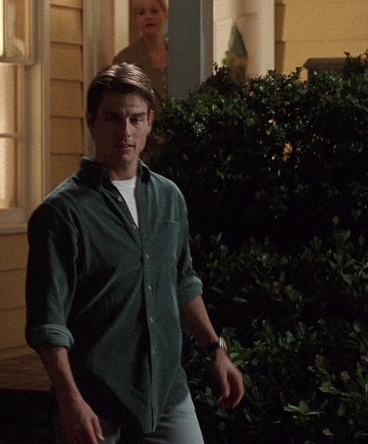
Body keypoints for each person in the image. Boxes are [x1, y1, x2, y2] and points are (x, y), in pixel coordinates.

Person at [25, 63, 245, 444]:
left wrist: (216, 350)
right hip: (95, 399)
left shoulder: (168, 198)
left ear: (149, 122)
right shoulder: (61, 213)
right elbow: (48, 320)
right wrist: (69, 398)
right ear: (91, 120)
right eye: (112, 118)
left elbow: (183, 283)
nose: (125, 131)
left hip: (165, 393)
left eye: (135, 118)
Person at [113, 0, 169, 114]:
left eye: (154, 11)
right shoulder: (125, 60)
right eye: (141, 13)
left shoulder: (178, 54)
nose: (148, 17)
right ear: (136, 19)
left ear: (165, 15)